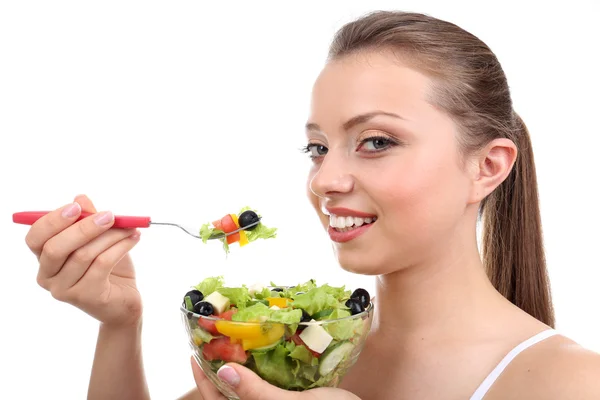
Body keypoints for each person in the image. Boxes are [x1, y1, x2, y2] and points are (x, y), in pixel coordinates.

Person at [22, 10, 600, 400]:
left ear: (487, 166)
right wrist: (119, 324)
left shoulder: (571, 382)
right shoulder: (287, 348)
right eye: (317, 147)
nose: (326, 178)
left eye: (376, 141)